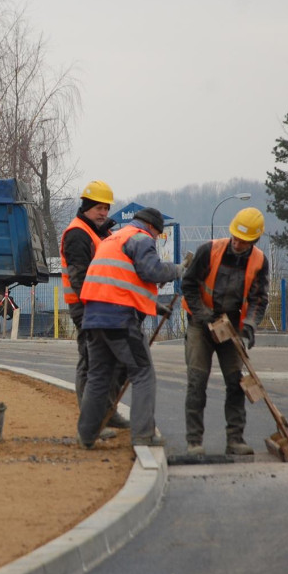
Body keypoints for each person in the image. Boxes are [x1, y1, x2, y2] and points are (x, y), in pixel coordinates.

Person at [75, 207, 185, 448]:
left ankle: (86, 435)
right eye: (157, 235)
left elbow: (121, 280)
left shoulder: (114, 238)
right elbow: (151, 271)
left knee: (98, 377)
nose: (155, 238)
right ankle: (143, 435)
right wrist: (178, 270)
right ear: (153, 228)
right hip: (120, 320)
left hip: (93, 318)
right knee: (143, 373)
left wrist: (153, 307)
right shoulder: (141, 238)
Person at [180, 206, 270, 456]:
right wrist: (203, 314)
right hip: (201, 323)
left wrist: (249, 327)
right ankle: (194, 441)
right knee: (197, 382)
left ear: (255, 239)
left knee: (236, 382)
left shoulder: (259, 261)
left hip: (231, 326)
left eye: (245, 240)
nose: (238, 243)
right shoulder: (209, 250)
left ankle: (235, 439)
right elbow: (188, 285)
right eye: (236, 237)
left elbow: (259, 299)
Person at [60, 180, 130, 432]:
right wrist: (93, 309)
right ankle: (91, 422)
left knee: (111, 362)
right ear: (87, 206)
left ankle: (106, 412)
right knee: (91, 362)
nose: (103, 213)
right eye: (99, 208)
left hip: (104, 305)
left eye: (106, 208)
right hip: (86, 306)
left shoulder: (103, 234)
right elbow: (79, 279)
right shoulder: (78, 234)